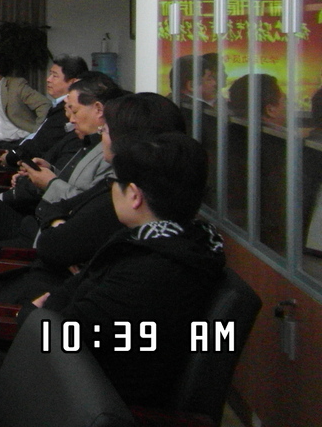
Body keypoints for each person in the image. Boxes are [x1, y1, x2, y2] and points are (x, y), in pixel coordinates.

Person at [18, 132, 225, 408]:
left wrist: (29, 315)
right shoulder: (177, 239)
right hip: (76, 378)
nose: (111, 189)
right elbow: (70, 294)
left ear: (135, 196)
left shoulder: (153, 268)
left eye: (114, 182)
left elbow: (62, 335)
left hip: (84, 398)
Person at [0, 72, 124, 284]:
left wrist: (49, 182)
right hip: (35, 217)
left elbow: (84, 205)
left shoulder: (109, 156)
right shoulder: (88, 142)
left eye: (74, 111)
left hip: (44, 232)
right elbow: (72, 183)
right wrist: (48, 171)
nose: (70, 119)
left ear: (98, 109)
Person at [0, 55, 87, 186]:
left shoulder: (65, 112)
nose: (48, 79)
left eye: (54, 76)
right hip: (12, 146)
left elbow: (41, 141)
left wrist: (17, 151)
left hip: (26, 153)